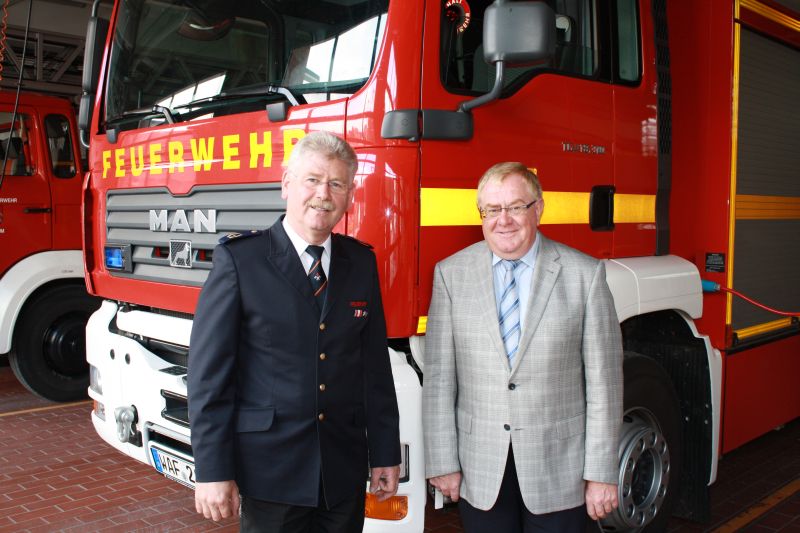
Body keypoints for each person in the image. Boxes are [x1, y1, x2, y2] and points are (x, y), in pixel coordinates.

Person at [188, 131, 401, 533]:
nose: (324, 193)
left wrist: (385, 453)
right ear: (287, 184)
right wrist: (213, 469)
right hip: (271, 472)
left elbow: (374, 370)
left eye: (337, 184)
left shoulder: (361, 262)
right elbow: (208, 378)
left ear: (349, 195)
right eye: (313, 180)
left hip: (342, 469)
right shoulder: (240, 260)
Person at [422, 162, 623, 532]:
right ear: (481, 214)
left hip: (560, 473)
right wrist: (442, 461)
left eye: (516, 207)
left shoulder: (585, 275)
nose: (504, 220)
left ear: (539, 208)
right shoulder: (450, 274)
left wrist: (601, 473)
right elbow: (438, 380)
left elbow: (604, 386)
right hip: (480, 470)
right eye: (492, 210)